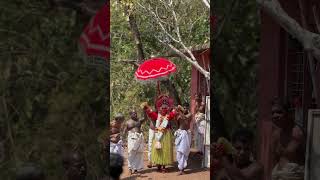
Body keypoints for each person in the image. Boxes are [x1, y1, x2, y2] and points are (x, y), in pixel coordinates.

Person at [141, 95, 177, 173]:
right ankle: (158, 165)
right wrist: (146, 108)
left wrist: (175, 109)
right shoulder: (157, 116)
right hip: (158, 135)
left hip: (166, 134)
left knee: (165, 149)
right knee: (158, 149)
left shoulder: (169, 116)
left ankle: (163, 166)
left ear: (168, 108)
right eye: (162, 107)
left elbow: (173, 113)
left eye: (165, 107)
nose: (163, 109)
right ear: (159, 108)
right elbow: (151, 113)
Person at [270, 97, 305, 180]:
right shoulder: (276, 134)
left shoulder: (297, 133)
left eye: (279, 112)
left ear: (289, 113)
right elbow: (274, 158)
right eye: (273, 113)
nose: (275, 116)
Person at [125, 109, 145, 174]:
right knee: (131, 153)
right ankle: (130, 168)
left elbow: (145, 118)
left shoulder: (139, 120)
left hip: (139, 137)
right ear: (130, 114)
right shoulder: (128, 122)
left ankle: (136, 168)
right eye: (134, 113)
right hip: (131, 138)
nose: (135, 114)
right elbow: (124, 132)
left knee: (139, 153)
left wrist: (145, 109)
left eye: (136, 113)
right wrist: (123, 141)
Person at [174, 104, 192, 175]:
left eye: (186, 108)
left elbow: (185, 118)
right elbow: (176, 123)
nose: (185, 109)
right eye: (183, 107)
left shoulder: (190, 114)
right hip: (180, 133)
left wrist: (180, 111)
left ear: (188, 108)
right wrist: (176, 114)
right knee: (179, 152)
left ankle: (182, 169)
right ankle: (181, 168)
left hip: (186, 134)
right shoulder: (179, 115)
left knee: (184, 152)